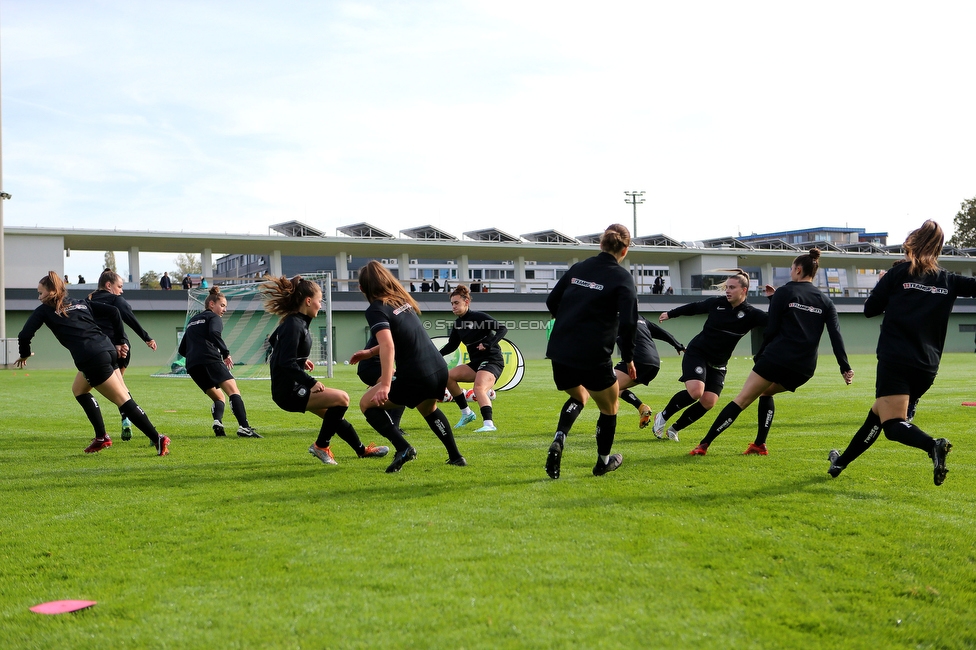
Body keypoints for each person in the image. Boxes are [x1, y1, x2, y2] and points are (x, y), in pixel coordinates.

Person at [828, 220, 973, 485]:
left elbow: (870, 309)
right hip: (927, 366)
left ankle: (933, 445)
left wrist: (885, 284)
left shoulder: (898, 275)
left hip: (896, 359)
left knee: (892, 426)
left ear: (910, 247)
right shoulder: (950, 280)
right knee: (877, 415)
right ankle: (840, 463)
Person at [690, 249, 853, 456]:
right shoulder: (825, 301)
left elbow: (772, 329)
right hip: (804, 368)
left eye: (792, 269)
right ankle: (759, 445)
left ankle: (703, 445)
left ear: (798, 270)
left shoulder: (785, 292)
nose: (791, 272)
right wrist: (845, 367)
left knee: (741, 400)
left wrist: (761, 354)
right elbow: (835, 335)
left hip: (777, 358)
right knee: (766, 392)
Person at [16, 272, 171, 456]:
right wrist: (120, 342)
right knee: (79, 390)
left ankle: (157, 439)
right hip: (107, 350)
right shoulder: (81, 302)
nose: (39, 297)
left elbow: (24, 335)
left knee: (123, 400)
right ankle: (101, 437)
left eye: (40, 293)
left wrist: (24, 354)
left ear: (51, 292)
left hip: (91, 359)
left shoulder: (44, 310)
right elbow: (113, 312)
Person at [544, 223, 638, 479]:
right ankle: (603, 462)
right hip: (593, 354)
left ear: (601, 244)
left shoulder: (579, 267)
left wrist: (569, 322)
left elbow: (552, 301)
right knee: (610, 407)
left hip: (560, 351)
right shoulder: (622, 278)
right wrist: (628, 357)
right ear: (625, 250)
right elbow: (630, 323)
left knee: (579, 397)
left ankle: (559, 437)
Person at [352, 260, 466, 472]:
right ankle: (456, 456)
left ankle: (403, 448)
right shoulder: (401, 301)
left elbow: (387, 345)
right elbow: (397, 340)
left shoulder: (375, 309)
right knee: (429, 408)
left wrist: (385, 385)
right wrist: (369, 352)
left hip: (417, 374)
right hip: (438, 368)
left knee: (366, 404)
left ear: (362, 288)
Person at [263, 274, 388, 465]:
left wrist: (301, 361)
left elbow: (276, 344)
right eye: (319, 301)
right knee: (342, 399)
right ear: (308, 301)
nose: (320, 305)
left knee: (334, 415)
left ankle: (362, 451)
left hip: (289, 388)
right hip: (289, 391)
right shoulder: (294, 325)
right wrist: (310, 381)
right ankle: (321, 446)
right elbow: (284, 363)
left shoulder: (293, 322)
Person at [653, 270, 768, 442]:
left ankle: (674, 429)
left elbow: (774, 322)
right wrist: (671, 313)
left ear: (744, 290)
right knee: (696, 392)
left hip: (719, 362)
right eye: (727, 287)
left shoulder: (752, 314)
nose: (728, 290)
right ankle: (662, 415)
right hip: (697, 353)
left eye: (732, 287)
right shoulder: (717, 304)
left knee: (709, 401)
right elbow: (694, 307)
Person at [178, 285, 260, 438]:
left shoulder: (192, 321)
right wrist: (225, 353)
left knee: (219, 397)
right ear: (211, 304)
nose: (224, 310)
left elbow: (182, 350)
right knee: (233, 391)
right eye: (222, 305)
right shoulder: (213, 317)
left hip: (193, 365)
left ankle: (218, 422)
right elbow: (214, 333)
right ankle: (244, 427)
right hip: (210, 359)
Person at [88, 268, 158, 441]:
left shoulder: (87, 301)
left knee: (86, 390)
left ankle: (111, 430)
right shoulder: (116, 300)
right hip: (120, 349)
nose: (122, 290)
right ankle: (132, 422)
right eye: (119, 286)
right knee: (120, 390)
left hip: (100, 350)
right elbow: (130, 319)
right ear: (108, 285)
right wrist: (147, 338)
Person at [438, 284, 508, 432]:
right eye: (452, 304)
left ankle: (489, 425)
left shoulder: (479, 317)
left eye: (456, 303)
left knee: (479, 388)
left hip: (492, 360)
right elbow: (452, 345)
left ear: (466, 302)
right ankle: (467, 413)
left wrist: (488, 344)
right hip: (476, 363)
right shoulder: (457, 324)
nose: (453, 307)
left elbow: (502, 328)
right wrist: (435, 355)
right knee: (448, 377)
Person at [616, 311, 686, 429]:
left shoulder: (616, 318)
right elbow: (661, 333)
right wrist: (678, 345)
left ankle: (605, 428)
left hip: (637, 361)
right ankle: (642, 408)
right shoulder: (640, 318)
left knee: (606, 387)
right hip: (654, 364)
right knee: (617, 388)